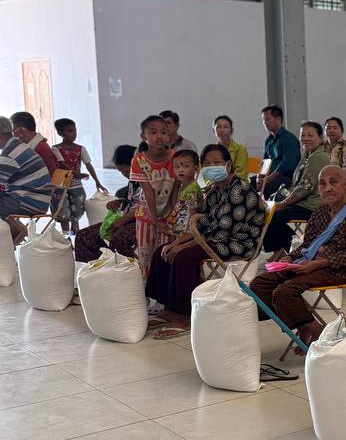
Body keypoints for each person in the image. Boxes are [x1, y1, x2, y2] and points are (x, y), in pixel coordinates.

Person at [146, 144, 264, 338]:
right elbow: (202, 224)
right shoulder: (216, 190)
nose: (211, 166)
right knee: (162, 251)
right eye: (207, 163)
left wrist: (183, 247)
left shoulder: (239, 190)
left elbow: (221, 232)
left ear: (228, 165)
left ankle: (185, 314)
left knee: (184, 256)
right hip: (216, 238)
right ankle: (168, 307)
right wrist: (176, 243)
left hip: (238, 243)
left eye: (216, 162)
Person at [249, 166, 346, 349]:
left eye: (334, 182)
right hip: (313, 264)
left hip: (344, 269)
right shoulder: (320, 213)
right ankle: (303, 326)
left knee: (284, 292)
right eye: (322, 184)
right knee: (259, 285)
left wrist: (317, 264)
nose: (328, 188)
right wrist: (290, 258)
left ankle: (319, 334)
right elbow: (307, 246)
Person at [261, 121, 331, 255]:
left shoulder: (319, 157)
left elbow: (305, 187)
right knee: (269, 211)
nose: (306, 138)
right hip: (303, 202)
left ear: (320, 138)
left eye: (310, 135)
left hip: (313, 206)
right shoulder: (308, 154)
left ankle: (292, 250)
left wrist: (283, 203)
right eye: (303, 135)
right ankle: (283, 250)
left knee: (274, 215)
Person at [130, 115, 178, 273]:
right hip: (146, 216)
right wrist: (156, 220)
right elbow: (148, 191)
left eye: (163, 132)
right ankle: (147, 286)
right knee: (146, 255)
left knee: (165, 253)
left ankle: (164, 287)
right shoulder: (138, 160)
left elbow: (176, 188)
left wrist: (172, 215)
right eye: (153, 132)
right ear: (143, 136)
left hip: (169, 215)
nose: (159, 136)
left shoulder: (175, 157)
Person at [73, 145, 139, 262]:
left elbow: (145, 207)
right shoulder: (132, 182)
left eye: (125, 170)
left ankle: (130, 269)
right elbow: (133, 202)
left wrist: (122, 221)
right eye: (121, 172)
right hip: (127, 220)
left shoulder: (149, 181)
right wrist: (121, 202)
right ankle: (94, 270)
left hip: (142, 223)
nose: (124, 174)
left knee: (118, 239)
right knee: (83, 236)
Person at [0, 115, 53, 245]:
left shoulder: (10, 154)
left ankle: (16, 235)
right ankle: (15, 234)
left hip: (29, 200)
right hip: (35, 199)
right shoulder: (17, 146)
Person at [50, 118, 107, 233]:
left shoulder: (80, 149)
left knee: (77, 209)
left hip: (76, 185)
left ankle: (75, 231)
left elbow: (89, 165)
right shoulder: (56, 148)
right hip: (61, 185)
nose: (73, 133)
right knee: (62, 210)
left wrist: (97, 182)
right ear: (60, 133)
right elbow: (62, 163)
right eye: (69, 131)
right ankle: (66, 235)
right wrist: (77, 174)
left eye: (75, 130)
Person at [260, 105, 300, 199]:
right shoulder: (268, 141)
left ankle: (269, 208)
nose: (265, 123)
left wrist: (267, 179)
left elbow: (287, 164)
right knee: (249, 183)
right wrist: (259, 177)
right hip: (270, 176)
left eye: (268, 119)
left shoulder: (289, 139)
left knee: (267, 186)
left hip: (287, 178)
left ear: (278, 119)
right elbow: (264, 162)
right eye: (263, 120)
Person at [323, 116, 346, 190]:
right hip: (324, 185)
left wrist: (331, 181)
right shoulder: (321, 147)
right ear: (324, 131)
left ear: (342, 131)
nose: (332, 130)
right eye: (328, 128)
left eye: (335, 128)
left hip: (344, 187)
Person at [212, 115, 249, 180]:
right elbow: (207, 173)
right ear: (213, 131)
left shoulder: (240, 150)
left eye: (226, 127)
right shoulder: (210, 152)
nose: (222, 130)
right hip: (215, 184)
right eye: (219, 127)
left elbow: (240, 174)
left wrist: (222, 183)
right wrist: (211, 183)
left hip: (236, 184)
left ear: (231, 131)